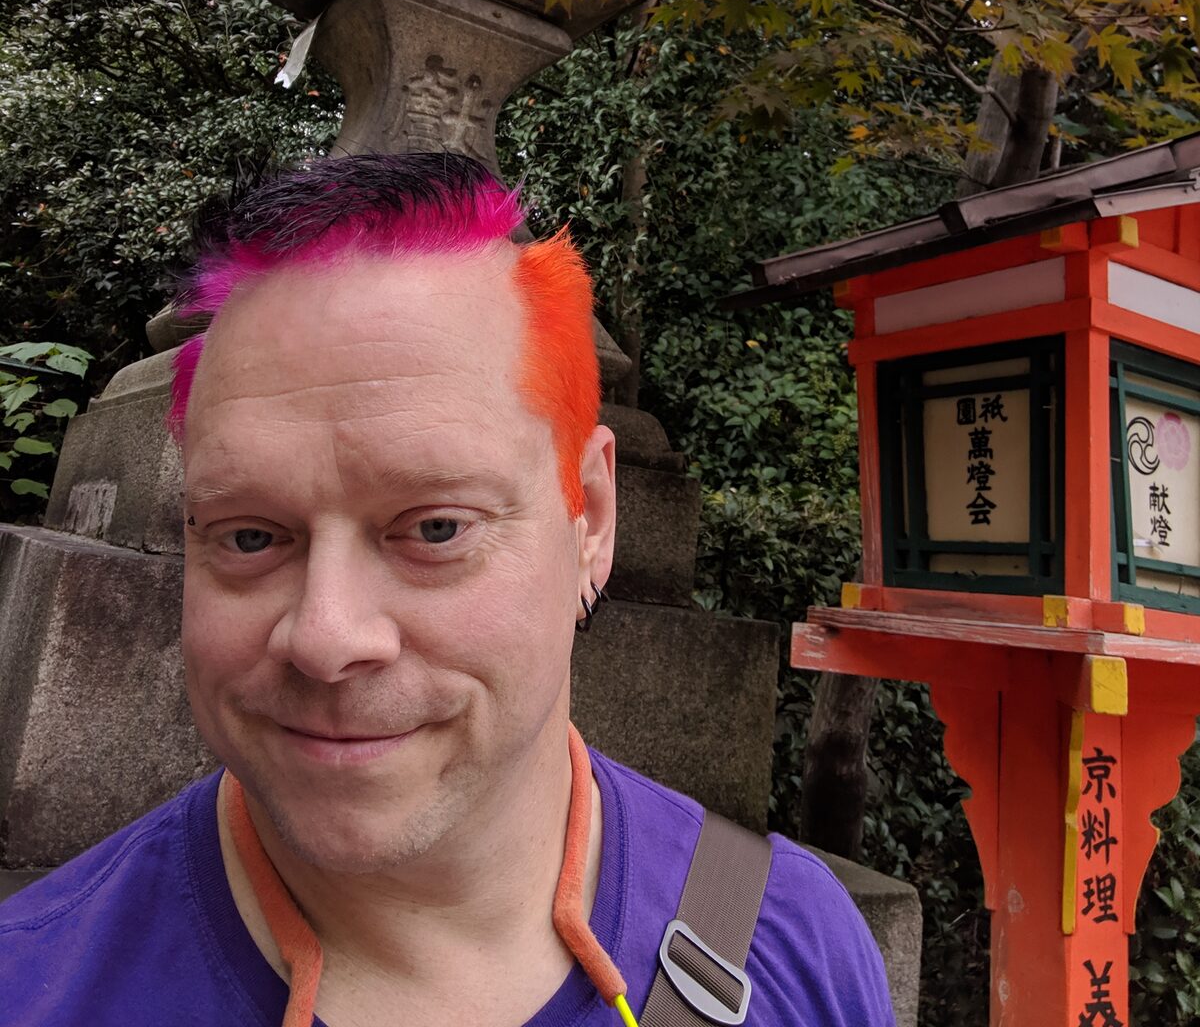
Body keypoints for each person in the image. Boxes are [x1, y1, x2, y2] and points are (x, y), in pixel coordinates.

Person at [0, 152, 895, 1027]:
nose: (326, 636)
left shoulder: (793, 944)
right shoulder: (33, 984)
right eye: (249, 536)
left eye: (435, 528)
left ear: (589, 518)